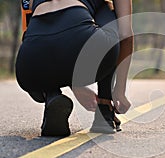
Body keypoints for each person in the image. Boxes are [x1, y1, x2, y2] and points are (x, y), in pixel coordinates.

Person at [16, 0, 133, 136]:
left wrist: (76, 86)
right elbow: (125, 35)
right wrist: (119, 90)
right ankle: (104, 110)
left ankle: (52, 97)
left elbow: (31, 32)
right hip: (81, 45)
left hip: (29, 68)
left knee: (42, 38)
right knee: (107, 10)